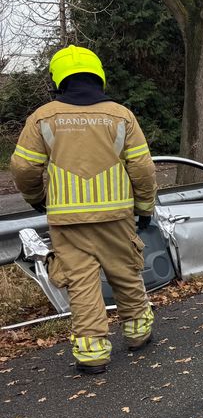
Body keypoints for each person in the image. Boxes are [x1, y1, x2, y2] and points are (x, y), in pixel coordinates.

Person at [9, 45, 158, 374]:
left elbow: (22, 168)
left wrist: (38, 198)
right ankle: (137, 333)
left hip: (68, 221)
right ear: (98, 76)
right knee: (125, 273)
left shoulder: (42, 118)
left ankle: (92, 354)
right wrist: (144, 207)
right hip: (117, 217)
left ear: (58, 80)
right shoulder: (121, 115)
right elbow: (143, 169)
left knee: (81, 283)